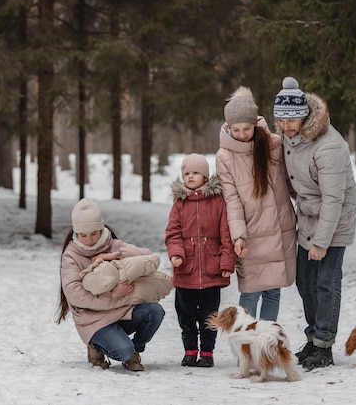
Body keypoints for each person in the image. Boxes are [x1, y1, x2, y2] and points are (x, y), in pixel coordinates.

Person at [273, 76, 356, 369]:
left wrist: (321, 242)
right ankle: (313, 339)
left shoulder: (329, 146)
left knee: (325, 283)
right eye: (281, 120)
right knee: (305, 282)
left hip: (334, 220)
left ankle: (324, 345)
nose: (286, 126)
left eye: (292, 119)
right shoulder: (288, 137)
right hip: (308, 216)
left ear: (305, 115)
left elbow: (334, 200)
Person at [215, 86, 297, 322]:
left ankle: (268, 344)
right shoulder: (224, 156)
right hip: (251, 232)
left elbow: (289, 180)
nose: (241, 134)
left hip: (280, 228)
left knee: (273, 291)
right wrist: (238, 236)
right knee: (250, 291)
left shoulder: (273, 144)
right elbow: (231, 200)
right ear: (228, 127)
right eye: (236, 129)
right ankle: (247, 346)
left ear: (255, 124)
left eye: (247, 129)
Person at [56, 198, 165, 372]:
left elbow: (148, 256)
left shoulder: (112, 244)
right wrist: (113, 295)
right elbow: (74, 293)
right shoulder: (71, 256)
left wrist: (114, 255)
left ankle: (134, 351)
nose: (90, 240)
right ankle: (98, 346)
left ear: (101, 228)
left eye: (94, 233)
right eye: (83, 235)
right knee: (123, 350)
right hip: (94, 320)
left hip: (122, 311)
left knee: (155, 311)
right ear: (76, 233)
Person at [165, 153, 236, 368]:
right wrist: (176, 254)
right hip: (185, 270)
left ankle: (206, 352)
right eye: (187, 173)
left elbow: (226, 233)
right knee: (186, 315)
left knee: (209, 316)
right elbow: (173, 233)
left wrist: (226, 263)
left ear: (205, 177)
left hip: (211, 271)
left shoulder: (217, 202)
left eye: (196, 173)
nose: (191, 176)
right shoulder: (180, 204)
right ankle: (189, 350)